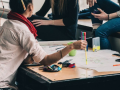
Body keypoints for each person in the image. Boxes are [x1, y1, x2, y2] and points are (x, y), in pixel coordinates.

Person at [0, 0, 87, 89]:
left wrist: (27, 57)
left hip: (66, 33)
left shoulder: (6, 24)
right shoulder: (23, 30)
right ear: (30, 7)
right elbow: (46, 60)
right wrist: (71, 46)